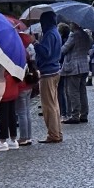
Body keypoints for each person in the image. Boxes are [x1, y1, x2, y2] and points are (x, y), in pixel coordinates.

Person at [33, 10, 63, 143]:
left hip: (48, 73)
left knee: (48, 106)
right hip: (54, 71)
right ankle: (57, 132)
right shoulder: (55, 32)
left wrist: (35, 43)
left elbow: (45, 52)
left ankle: (53, 134)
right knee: (54, 104)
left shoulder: (49, 34)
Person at [60, 22, 93, 124]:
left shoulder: (74, 35)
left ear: (74, 25)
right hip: (84, 66)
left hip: (74, 67)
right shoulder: (86, 35)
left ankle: (75, 115)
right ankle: (84, 114)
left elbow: (64, 49)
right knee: (82, 91)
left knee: (73, 92)